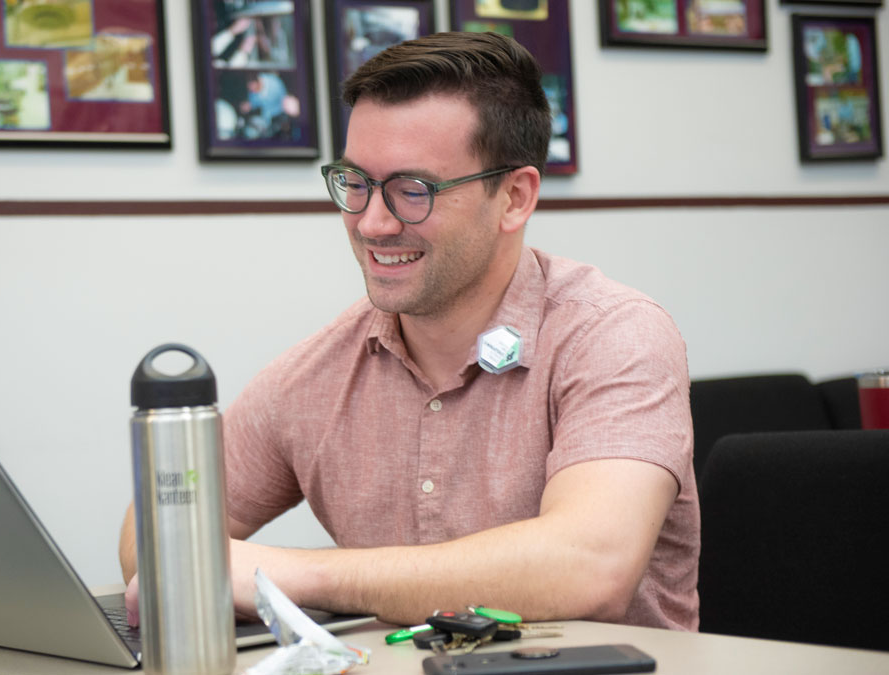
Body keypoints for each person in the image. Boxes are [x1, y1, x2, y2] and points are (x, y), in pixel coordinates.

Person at [119, 31, 699, 631]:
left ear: (515, 197)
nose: (372, 222)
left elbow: (588, 569)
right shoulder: (320, 372)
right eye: (356, 183)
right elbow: (151, 536)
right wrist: (200, 565)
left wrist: (292, 577)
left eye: (412, 190)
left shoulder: (614, 337)